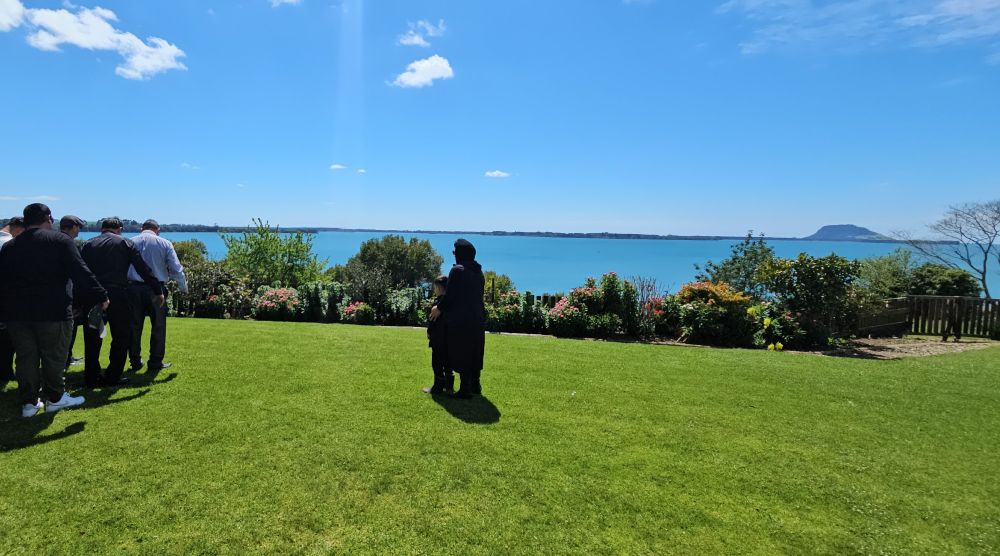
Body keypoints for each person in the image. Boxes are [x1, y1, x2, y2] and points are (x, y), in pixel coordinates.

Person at [0, 204, 107, 417]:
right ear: (48, 218)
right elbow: (80, 271)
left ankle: (29, 403)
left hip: (17, 313)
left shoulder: (10, 247)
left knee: (25, 358)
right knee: (54, 356)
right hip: (53, 310)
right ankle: (55, 397)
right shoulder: (60, 241)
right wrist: (101, 295)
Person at [81, 217, 164, 388]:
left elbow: (81, 271)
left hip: (94, 294)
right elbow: (143, 269)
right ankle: (113, 375)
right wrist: (157, 289)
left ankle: (91, 376)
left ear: (102, 228)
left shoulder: (88, 244)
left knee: (92, 336)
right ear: (119, 228)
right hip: (118, 293)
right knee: (121, 336)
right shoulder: (125, 243)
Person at [127, 219, 187, 372]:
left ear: (142, 228)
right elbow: (175, 268)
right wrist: (183, 287)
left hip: (133, 288)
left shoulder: (129, 242)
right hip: (157, 290)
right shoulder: (165, 243)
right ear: (157, 229)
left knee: (134, 326)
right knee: (158, 326)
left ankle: (134, 360)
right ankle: (155, 362)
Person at [430, 239, 486, 399]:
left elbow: (451, 296)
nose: (454, 255)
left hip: (462, 319)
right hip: (478, 317)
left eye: (455, 252)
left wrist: (438, 308)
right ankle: (475, 385)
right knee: (475, 350)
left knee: (462, 351)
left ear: (460, 254)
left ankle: (465, 388)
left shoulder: (458, 271)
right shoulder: (478, 271)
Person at [0, 216, 26, 389]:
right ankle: (5, 370)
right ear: (17, 227)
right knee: (7, 336)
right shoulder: (9, 243)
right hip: (6, 295)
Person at [59, 215, 86, 369]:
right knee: (68, 330)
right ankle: (65, 358)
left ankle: (67, 357)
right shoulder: (67, 243)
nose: (78, 232)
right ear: (73, 227)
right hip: (67, 294)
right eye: (78, 228)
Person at [422, 275, 454, 395]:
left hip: (438, 338)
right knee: (448, 362)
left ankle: (438, 387)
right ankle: (449, 387)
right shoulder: (450, 303)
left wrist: (429, 331)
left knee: (437, 362)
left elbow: (433, 320)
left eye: (435, 287)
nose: (434, 290)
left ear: (439, 288)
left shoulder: (438, 304)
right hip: (448, 337)